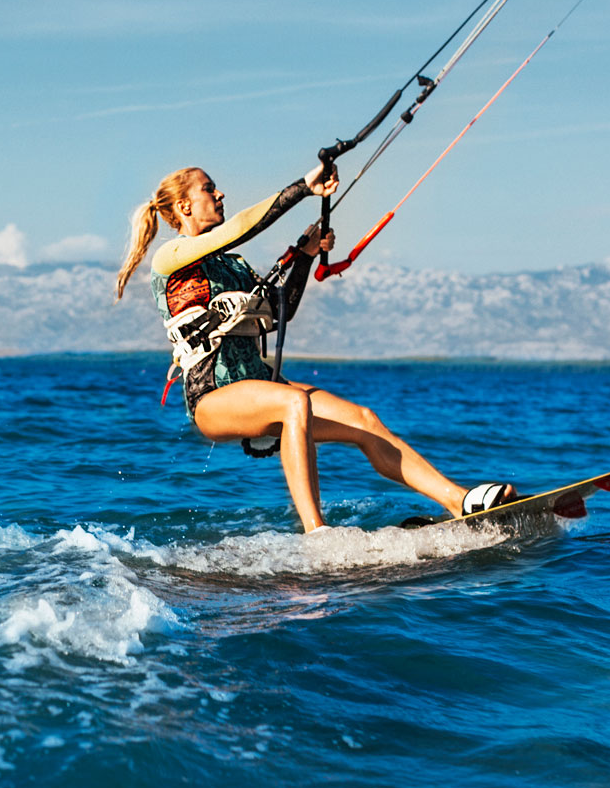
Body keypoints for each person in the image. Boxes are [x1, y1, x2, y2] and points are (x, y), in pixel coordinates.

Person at [115, 162, 516, 534]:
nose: (220, 195)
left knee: (363, 420)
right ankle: (316, 532)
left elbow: (280, 310)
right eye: (210, 189)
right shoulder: (171, 258)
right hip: (212, 398)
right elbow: (240, 227)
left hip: (258, 384)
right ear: (184, 205)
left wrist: (305, 257)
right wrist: (303, 188)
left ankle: (459, 500)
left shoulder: (233, 265)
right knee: (294, 403)